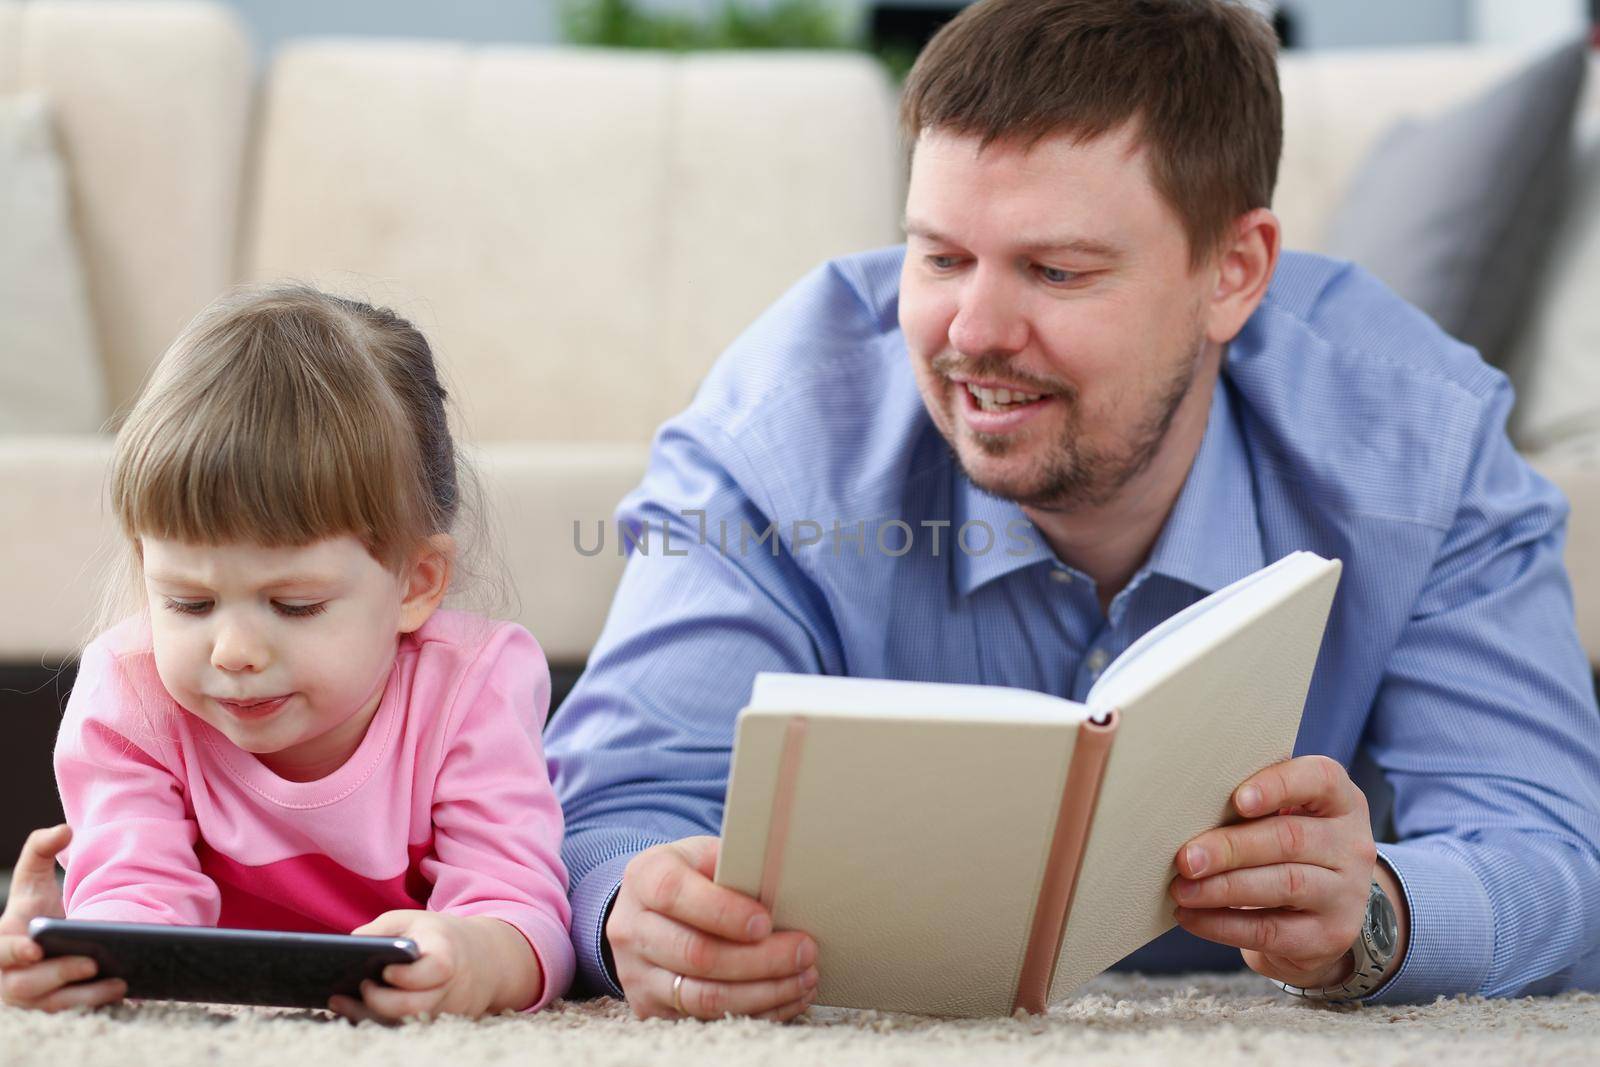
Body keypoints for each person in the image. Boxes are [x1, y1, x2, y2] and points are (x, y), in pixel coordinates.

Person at [543, 0, 1600, 1021]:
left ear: (1235, 272)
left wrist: (1376, 909)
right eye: (940, 255)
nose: (975, 330)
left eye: (1055, 270)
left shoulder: (1421, 447)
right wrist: (636, 912)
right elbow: (608, 815)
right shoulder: (772, 441)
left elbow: (1555, 851)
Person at [0, 287, 574, 1018]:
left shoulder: (472, 687)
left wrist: (473, 958)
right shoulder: (130, 691)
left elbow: (523, 910)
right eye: (188, 603)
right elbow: (134, 899)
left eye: (294, 605)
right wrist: (77, 956)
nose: (234, 651)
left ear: (415, 583)